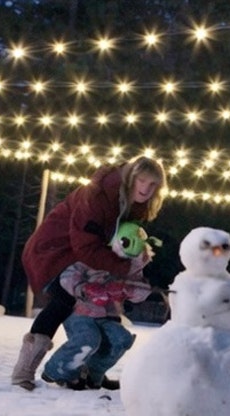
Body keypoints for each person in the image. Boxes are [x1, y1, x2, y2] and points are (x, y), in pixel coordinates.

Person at [11, 156, 166, 390]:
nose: (145, 189)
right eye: (141, 181)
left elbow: (119, 243)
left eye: (152, 184)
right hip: (53, 251)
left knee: (104, 310)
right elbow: (85, 245)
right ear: (129, 178)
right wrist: (123, 270)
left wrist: (133, 273)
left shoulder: (132, 204)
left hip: (83, 258)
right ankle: (23, 371)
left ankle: (91, 372)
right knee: (64, 300)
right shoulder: (96, 196)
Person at [41, 222, 156, 390]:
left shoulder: (132, 265)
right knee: (89, 338)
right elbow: (68, 276)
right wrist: (85, 288)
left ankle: (92, 374)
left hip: (106, 315)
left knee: (121, 338)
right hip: (79, 312)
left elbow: (141, 290)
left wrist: (126, 290)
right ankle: (59, 370)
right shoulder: (93, 256)